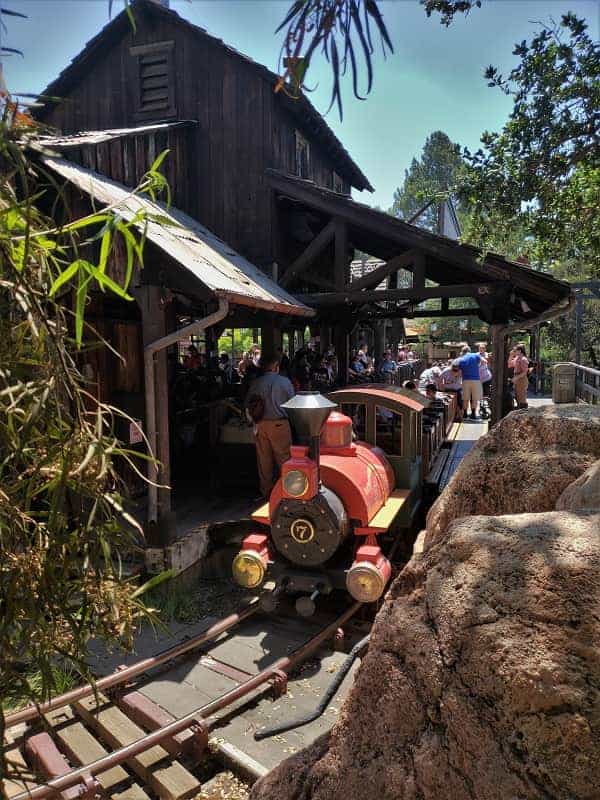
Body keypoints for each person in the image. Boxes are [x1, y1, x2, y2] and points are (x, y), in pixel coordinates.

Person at [247, 353, 295, 499]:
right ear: (275, 366)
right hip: (279, 424)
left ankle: (266, 492)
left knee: (264, 460)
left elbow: (248, 404)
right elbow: (293, 403)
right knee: (284, 459)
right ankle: (289, 491)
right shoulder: (284, 381)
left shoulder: (256, 383)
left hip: (260, 424)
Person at [457, 344, 482, 420]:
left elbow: (459, 371)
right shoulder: (476, 355)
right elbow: (481, 362)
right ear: (469, 351)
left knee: (465, 398)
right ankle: (473, 414)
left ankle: (465, 414)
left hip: (465, 380)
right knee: (474, 398)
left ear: (463, 352)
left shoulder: (461, 359)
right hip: (476, 379)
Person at [509, 344, 530, 409]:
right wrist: (511, 356)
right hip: (517, 378)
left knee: (522, 397)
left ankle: (524, 413)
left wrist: (516, 378)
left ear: (520, 351)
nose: (514, 351)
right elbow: (509, 365)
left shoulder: (523, 359)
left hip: (521, 379)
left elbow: (524, 372)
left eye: (515, 350)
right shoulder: (517, 358)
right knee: (518, 396)